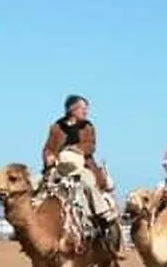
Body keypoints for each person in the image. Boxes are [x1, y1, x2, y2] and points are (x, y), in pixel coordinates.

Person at [41, 94, 121, 252]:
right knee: (38, 187)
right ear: (72, 109)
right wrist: (49, 157)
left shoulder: (88, 127)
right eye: (83, 108)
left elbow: (91, 146)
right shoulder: (56, 127)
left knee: (89, 184)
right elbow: (48, 147)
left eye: (86, 109)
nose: (86, 112)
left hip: (82, 166)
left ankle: (104, 215)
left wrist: (75, 150)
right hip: (59, 168)